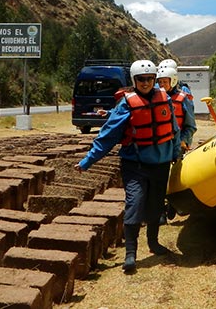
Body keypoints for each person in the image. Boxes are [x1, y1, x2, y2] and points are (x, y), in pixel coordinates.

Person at [75, 59, 181, 273]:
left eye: (150, 79)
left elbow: (174, 129)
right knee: (135, 204)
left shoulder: (164, 99)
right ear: (134, 80)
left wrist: (176, 152)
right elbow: (107, 135)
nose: (146, 83)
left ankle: (153, 243)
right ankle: (130, 254)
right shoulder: (126, 104)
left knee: (155, 205)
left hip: (160, 164)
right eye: (141, 79)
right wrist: (88, 161)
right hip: (135, 165)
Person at [157, 65, 197, 222]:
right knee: (159, 178)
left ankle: (173, 204)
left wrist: (183, 141)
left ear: (172, 81)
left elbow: (190, 126)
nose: (162, 85)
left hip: (177, 145)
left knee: (175, 177)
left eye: (165, 82)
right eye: (159, 82)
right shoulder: (154, 98)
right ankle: (160, 211)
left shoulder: (183, 99)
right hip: (159, 145)